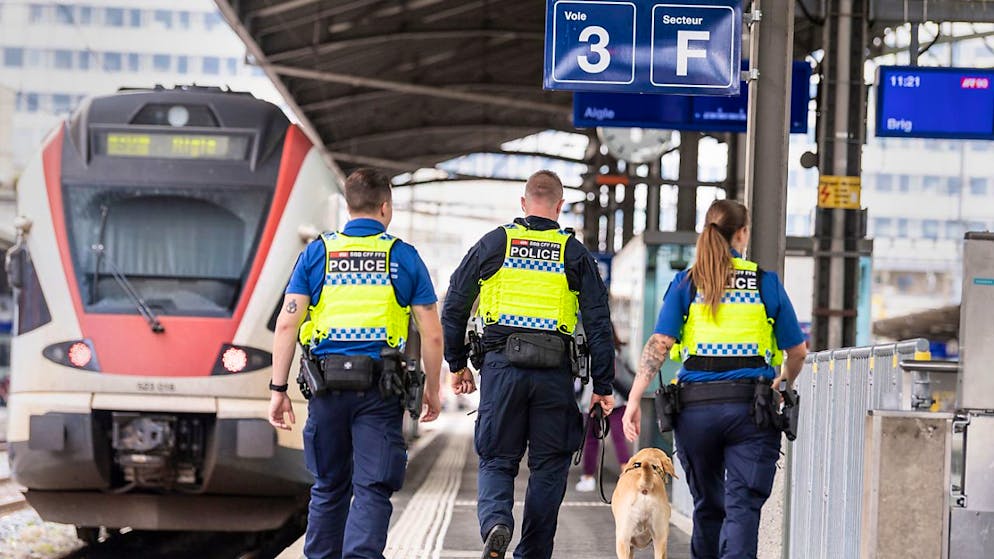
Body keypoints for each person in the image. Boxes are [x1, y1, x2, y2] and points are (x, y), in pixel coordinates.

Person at [268, 168, 443, 559]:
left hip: (326, 387)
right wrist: (432, 389)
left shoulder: (317, 253)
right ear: (386, 207)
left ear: (348, 207)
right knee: (372, 486)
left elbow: (287, 323)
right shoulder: (402, 256)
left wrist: (277, 390)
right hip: (380, 391)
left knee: (329, 486)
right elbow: (431, 333)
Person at [441, 170, 615, 559]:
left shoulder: (494, 243)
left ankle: (497, 522)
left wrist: (457, 363)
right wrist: (603, 386)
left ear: (523, 203)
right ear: (560, 205)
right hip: (555, 372)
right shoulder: (574, 253)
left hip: (502, 370)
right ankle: (532, 553)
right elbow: (600, 324)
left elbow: (453, 305)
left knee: (497, 458)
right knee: (549, 467)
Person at [621, 199, 807, 559]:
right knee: (742, 508)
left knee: (708, 505)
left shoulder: (687, 284)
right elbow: (797, 352)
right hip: (751, 411)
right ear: (742, 234)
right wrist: (783, 383)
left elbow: (659, 345)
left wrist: (633, 400)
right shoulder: (765, 283)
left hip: (696, 412)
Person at [576, 334, 632, 493]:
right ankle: (627, 476)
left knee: (591, 439)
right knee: (619, 438)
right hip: (617, 399)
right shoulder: (619, 351)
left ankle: (588, 478)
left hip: (593, 399)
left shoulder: (591, 350)